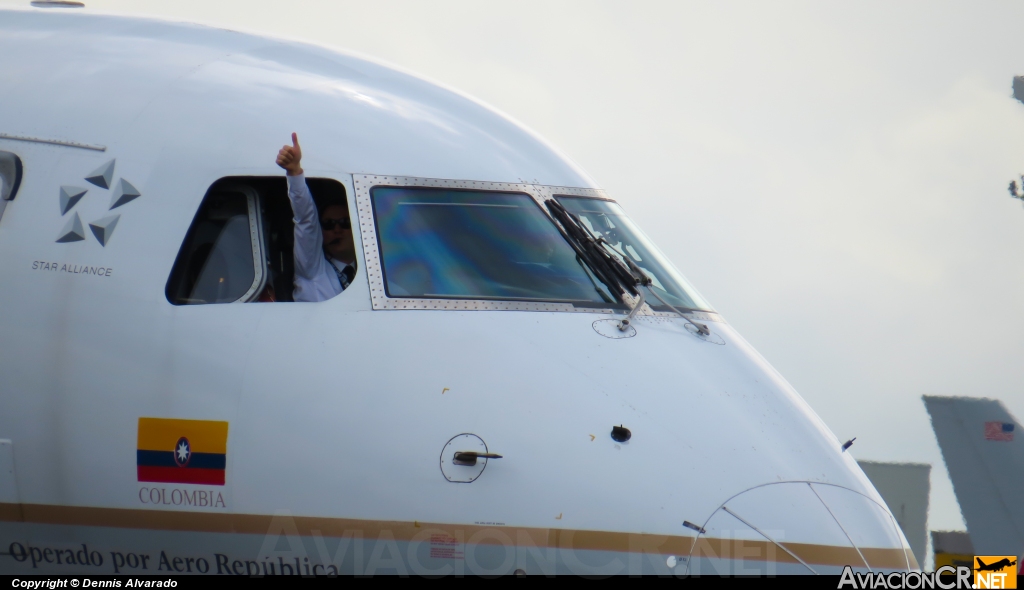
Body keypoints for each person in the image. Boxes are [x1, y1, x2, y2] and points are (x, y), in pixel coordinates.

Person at [276, 133, 356, 302]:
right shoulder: (312, 268)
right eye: (328, 224)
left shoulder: (379, 276)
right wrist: (295, 172)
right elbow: (306, 220)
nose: (337, 229)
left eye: (345, 223)